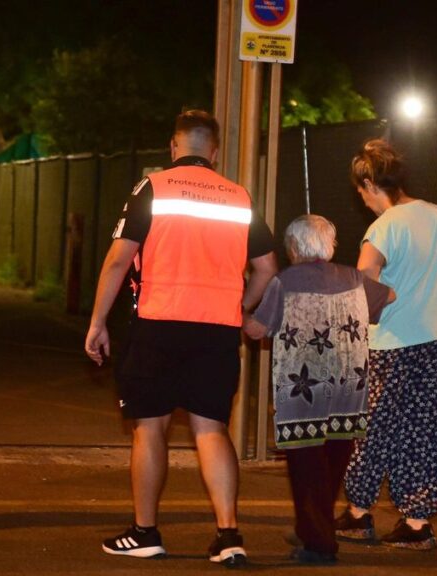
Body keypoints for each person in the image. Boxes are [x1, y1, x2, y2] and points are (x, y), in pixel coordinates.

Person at [85, 110, 277, 568]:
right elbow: (268, 267)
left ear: (173, 148)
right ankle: (229, 535)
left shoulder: (153, 188)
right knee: (211, 427)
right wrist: (242, 307)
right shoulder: (239, 198)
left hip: (158, 323)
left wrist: (97, 323)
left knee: (149, 427)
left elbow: (118, 261)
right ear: (213, 151)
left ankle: (146, 532)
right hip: (217, 329)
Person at [335, 139, 437, 550]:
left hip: (393, 341)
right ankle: (417, 521)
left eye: (361, 190)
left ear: (371, 182)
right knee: (423, 430)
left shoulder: (384, 227)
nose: (362, 199)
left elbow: (365, 277)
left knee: (373, 428)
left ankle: (358, 513)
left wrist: (387, 298)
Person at [242, 214, 394, 564]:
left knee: (307, 467)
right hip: (348, 388)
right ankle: (313, 528)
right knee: (332, 465)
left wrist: (236, 314)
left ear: (294, 247)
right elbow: (390, 295)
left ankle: (319, 544)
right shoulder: (354, 277)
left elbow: (258, 329)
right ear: (330, 245)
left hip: (304, 391)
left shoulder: (284, 281)